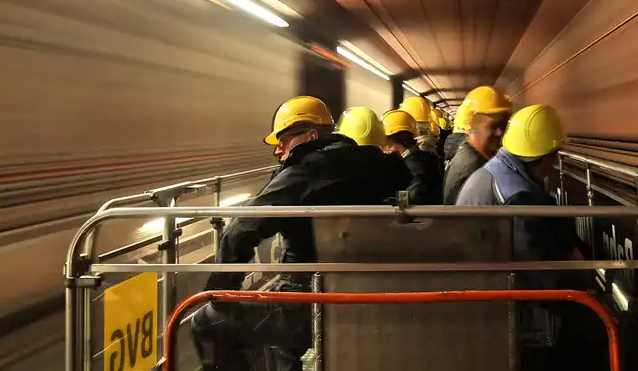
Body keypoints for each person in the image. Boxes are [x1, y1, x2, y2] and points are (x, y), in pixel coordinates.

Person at [192, 96, 408, 371]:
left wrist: (219, 292)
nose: (278, 149)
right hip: (372, 293)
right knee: (279, 338)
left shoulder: (307, 171)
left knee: (206, 322)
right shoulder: (385, 166)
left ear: (311, 135)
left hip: (311, 300)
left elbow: (243, 227)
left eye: (284, 139)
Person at [456, 104, 592, 369]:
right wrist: (582, 283)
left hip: (484, 293)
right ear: (540, 156)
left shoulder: (497, 171)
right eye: (554, 156)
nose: (554, 165)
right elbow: (540, 273)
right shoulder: (516, 197)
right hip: (506, 313)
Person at [442, 86, 512, 203]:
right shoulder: (471, 169)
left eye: (504, 124)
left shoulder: (474, 157)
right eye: (494, 125)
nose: (500, 132)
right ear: (473, 126)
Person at [382, 109, 443, 204]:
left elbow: (411, 199)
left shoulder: (414, 168)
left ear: (403, 141)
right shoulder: (425, 158)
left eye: (387, 144)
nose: (385, 149)